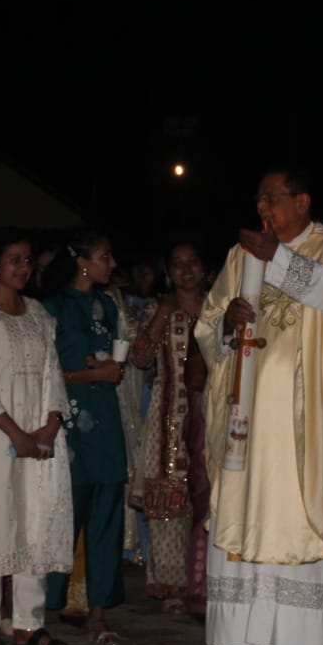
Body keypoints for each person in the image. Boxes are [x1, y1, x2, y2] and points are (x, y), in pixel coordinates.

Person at [195, 169, 323, 645]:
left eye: (272, 197)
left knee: (295, 524)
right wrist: (226, 325)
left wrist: (278, 259)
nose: (262, 206)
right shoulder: (239, 255)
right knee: (241, 523)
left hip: (303, 427)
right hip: (246, 424)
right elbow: (208, 325)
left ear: (303, 200)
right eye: (259, 197)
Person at [0, 230, 74, 645]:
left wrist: (51, 424)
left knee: (34, 521)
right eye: (14, 259)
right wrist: (15, 433)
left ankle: (29, 624)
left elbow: (53, 371)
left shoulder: (38, 313)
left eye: (27, 260)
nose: (23, 267)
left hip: (39, 431)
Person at [41, 228, 130, 645]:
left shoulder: (107, 306)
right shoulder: (51, 307)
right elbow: (43, 373)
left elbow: (110, 360)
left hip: (106, 418)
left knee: (107, 511)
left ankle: (98, 610)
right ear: (82, 260)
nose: (112, 264)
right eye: (105, 256)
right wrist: (90, 374)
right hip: (69, 421)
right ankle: (43, 602)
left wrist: (108, 370)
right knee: (64, 511)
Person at [129, 241, 209, 617]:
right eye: (178, 263)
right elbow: (140, 357)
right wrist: (163, 312)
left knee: (209, 497)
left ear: (204, 268)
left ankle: (206, 581)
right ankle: (173, 585)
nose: (186, 269)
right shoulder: (158, 309)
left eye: (192, 262)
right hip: (169, 417)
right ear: (168, 271)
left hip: (211, 413)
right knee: (170, 500)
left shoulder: (219, 306)